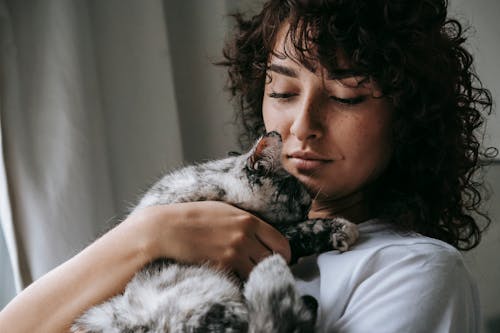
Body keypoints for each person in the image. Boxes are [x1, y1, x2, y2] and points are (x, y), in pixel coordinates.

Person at [0, 0, 495, 332]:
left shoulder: (410, 271)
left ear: (409, 115)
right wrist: (145, 234)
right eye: (281, 91)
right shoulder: (187, 235)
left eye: (347, 96)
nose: (302, 126)